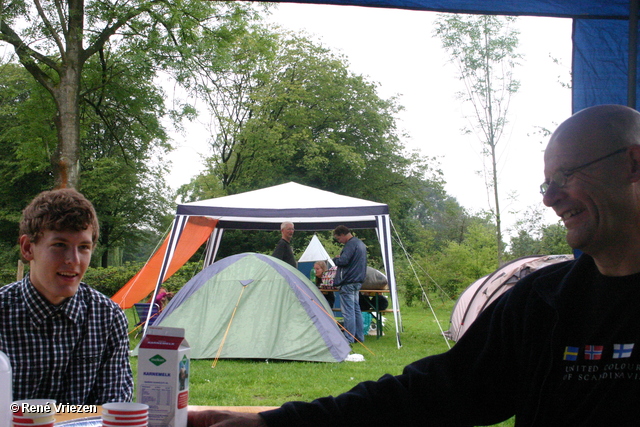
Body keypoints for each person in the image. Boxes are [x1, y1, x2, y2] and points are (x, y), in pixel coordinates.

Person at [187, 104, 640, 426]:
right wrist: (276, 422)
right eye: (545, 184)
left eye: (565, 176)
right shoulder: (541, 302)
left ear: (633, 164)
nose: (550, 198)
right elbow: (432, 393)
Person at [0, 188, 134, 404]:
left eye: (83, 247)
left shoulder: (107, 317)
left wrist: (35, 413)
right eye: (59, 245)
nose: (74, 260)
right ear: (27, 248)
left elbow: (113, 409)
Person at [332, 225, 367, 344]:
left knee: (348, 312)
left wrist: (336, 259)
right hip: (358, 281)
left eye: (338, 239)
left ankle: (349, 338)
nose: (339, 241)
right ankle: (359, 337)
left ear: (342, 235)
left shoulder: (350, 244)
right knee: (356, 310)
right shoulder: (360, 244)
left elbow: (344, 261)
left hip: (348, 281)